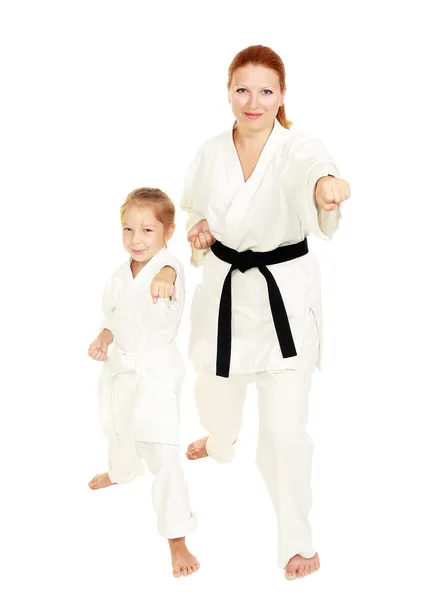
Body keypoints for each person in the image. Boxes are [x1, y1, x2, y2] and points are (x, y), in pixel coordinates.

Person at [181, 45, 350, 580]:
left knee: (284, 435)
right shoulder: (210, 151)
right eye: (242, 89)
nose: (253, 101)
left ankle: (297, 541)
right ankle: (218, 439)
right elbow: (196, 213)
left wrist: (328, 190)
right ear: (228, 91)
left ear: (282, 96)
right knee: (214, 398)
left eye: (266, 91)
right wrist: (201, 232)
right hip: (226, 299)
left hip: (284, 308)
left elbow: (316, 171)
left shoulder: (298, 146)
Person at [88, 187, 200, 578]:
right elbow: (114, 315)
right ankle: (121, 472)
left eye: (148, 231)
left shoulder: (168, 270)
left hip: (154, 373)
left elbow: (170, 273)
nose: (136, 240)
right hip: (121, 369)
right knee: (118, 430)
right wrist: (104, 337)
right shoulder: (121, 275)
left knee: (163, 452)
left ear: (168, 232)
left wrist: (166, 275)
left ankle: (177, 538)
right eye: (128, 230)